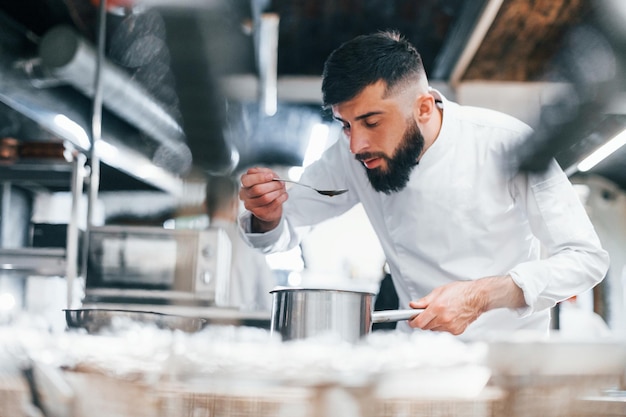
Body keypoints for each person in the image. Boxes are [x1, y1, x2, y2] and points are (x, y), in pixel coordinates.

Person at [237, 31, 609, 339]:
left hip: (509, 364)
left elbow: (586, 259)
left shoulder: (504, 142)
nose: (355, 144)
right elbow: (282, 230)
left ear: (425, 108)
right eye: (345, 124)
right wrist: (266, 214)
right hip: (419, 363)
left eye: (371, 121)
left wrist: (479, 296)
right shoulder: (349, 155)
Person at [205, 175, 275, 312]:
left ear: (204, 205)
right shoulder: (251, 243)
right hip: (241, 328)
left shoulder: (191, 243)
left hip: (198, 330)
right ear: (235, 205)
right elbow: (268, 302)